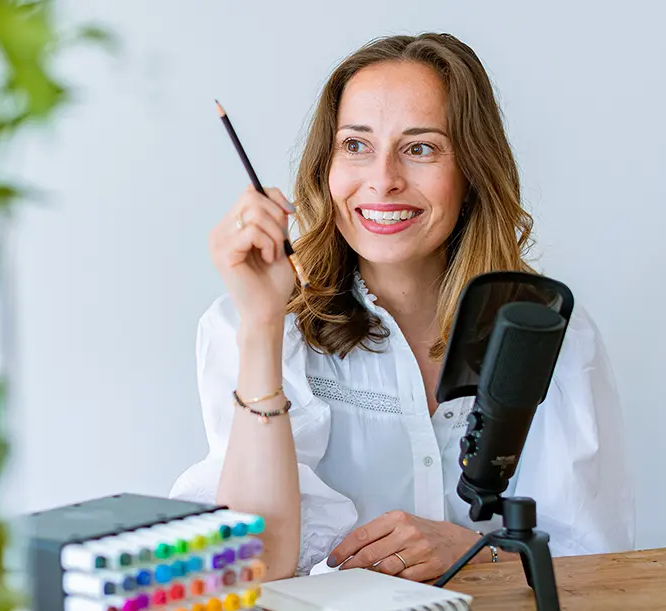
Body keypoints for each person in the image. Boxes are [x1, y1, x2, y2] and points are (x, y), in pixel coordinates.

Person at [170, 33, 634, 582]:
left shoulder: (549, 329)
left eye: (420, 148)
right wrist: (263, 325)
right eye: (356, 145)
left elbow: (600, 566)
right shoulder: (245, 325)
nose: (383, 179)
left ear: (472, 170)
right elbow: (255, 567)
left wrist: (476, 555)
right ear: (327, 167)